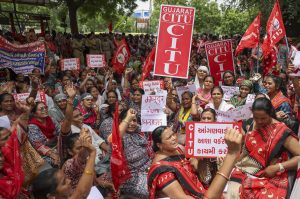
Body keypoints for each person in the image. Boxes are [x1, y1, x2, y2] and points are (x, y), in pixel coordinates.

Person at [226, 98, 300, 199]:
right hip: (247, 169)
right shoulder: (251, 124)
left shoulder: (281, 132)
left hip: (272, 175)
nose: (259, 121)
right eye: (256, 118)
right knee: (229, 189)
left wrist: (278, 167)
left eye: (263, 118)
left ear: (270, 113)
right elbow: (245, 152)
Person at [147, 126, 243, 199]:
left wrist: (200, 157)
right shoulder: (163, 172)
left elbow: (193, 155)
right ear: (159, 145)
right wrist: (231, 154)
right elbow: (182, 197)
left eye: (173, 134)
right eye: (169, 138)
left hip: (198, 188)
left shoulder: (178, 149)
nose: (173, 138)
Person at [32, 129, 98, 199]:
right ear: (51, 196)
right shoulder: (70, 164)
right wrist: (92, 153)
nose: (69, 181)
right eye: (63, 183)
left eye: (66, 178)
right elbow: (82, 193)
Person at [109, 108, 152, 197]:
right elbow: (113, 139)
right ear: (122, 121)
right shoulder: (121, 137)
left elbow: (154, 126)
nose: (132, 123)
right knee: (151, 190)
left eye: (134, 120)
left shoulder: (139, 132)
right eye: (129, 120)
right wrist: (128, 118)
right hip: (130, 178)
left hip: (149, 169)